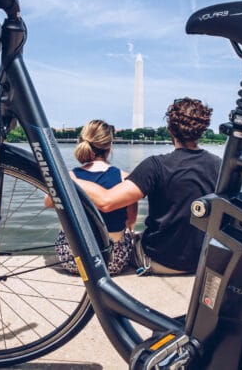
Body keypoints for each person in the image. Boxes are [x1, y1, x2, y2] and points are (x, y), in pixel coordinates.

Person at [73, 98, 221, 275]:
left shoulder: (155, 166)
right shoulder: (220, 165)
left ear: (170, 129)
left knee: (129, 238)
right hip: (202, 261)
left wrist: (66, 177)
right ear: (203, 129)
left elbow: (106, 201)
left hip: (159, 260)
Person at [45, 120, 138, 275]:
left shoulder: (70, 177)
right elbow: (131, 222)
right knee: (129, 232)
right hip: (113, 262)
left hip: (73, 259)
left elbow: (47, 201)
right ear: (109, 146)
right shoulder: (125, 178)